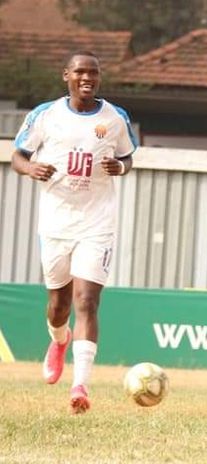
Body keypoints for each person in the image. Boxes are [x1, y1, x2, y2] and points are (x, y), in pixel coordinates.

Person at [10, 50, 138, 414]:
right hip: (56, 223)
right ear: (66, 75)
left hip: (97, 223)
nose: (87, 78)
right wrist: (30, 169)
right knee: (59, 305)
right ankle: (58, 339)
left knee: (87, 301)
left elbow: (128, 157)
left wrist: (120, 167)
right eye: (80, 72)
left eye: (93, 73)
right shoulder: (46, 115)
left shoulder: (115, 118)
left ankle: (80, 385)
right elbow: (18, 155)